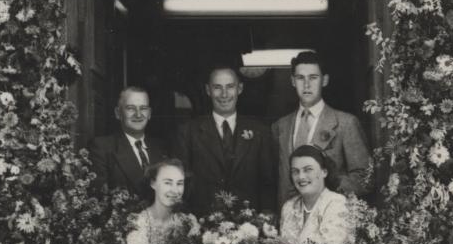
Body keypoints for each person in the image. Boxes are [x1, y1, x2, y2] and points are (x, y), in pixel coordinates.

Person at [272, 51, 371, 208]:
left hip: (330, 218)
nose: (306, 85)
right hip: (289, 219)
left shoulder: (346, 123)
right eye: (300, 78)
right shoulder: (280, 126)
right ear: (292, 81)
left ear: (324, 80)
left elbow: (365, 178)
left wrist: (329, 185)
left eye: (313, 77)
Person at [174, 66, 275, 217]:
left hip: (249, 226)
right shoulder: (188, 132)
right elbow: (181, 183)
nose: (224, 94)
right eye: (217, 87)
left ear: (240, 88)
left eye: (230, 87)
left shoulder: (260, 131)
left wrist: (265, 218)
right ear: (208, 90)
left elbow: (268, 183)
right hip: (203, 224)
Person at [89, 87, 168, 196]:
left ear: (149, 113)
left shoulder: (161, 148)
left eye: (143, 108)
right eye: (131, 108)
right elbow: (99, 198)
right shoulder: (102, 148)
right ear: (118, 113)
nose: (138, 114)